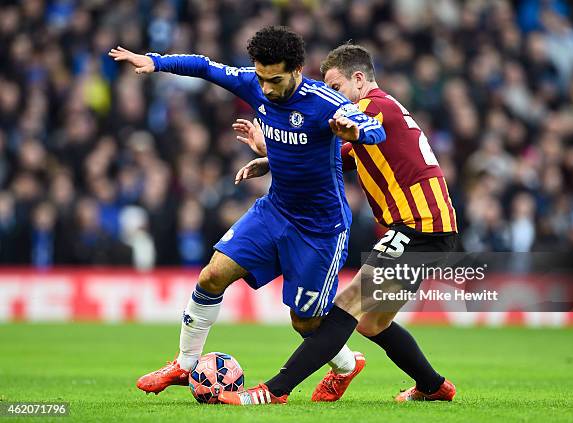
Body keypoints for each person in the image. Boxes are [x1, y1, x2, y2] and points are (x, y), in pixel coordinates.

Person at [108, 27, 386, 395]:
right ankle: (184, 363)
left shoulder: (325, 102)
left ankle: (348, 365)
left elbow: (374, 129)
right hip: (275, 211)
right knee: (212, 276)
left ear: (298, 70)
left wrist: (355, 133)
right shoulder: (253, 83)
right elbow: (205, 67)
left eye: (276, 79)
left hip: (320, 230)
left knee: (305, 324)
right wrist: (155, 62)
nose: (267, 88)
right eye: (262, 78)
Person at [221, 44, 458, 405]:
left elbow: (353, 137)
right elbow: (335, 158)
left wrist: (347, 132)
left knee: (347, 306)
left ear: (359, 80)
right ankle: (434, 386)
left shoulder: (370, 108)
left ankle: (272, 391)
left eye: (335, 88)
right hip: (426, 227)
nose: (331, 97)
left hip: (420, 226)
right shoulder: (377, 109)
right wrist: (271, 158)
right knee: (371, 323)